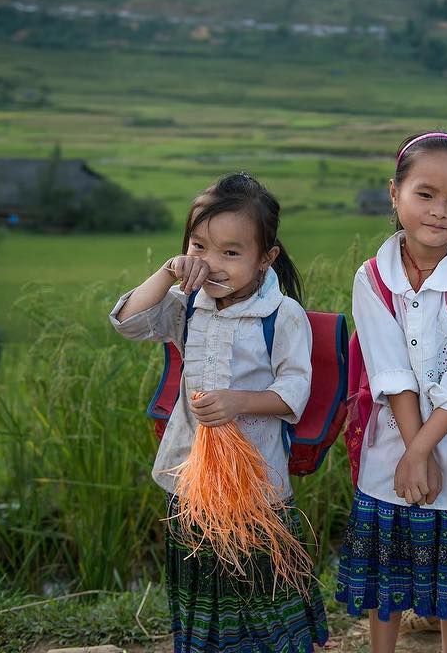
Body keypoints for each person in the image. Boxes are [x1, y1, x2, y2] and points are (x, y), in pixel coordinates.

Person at [109, 173, 328, 652]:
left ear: (266, 257)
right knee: (203, 583)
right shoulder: (187, 303)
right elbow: (128, 322)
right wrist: (169, 272)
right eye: (199, 246)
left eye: (232, 252)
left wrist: (239, 402)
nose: (212, 263)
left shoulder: (282, 315)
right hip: (194, 475)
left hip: (257, 481)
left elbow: (294, 391)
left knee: (260, 587)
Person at [335, 132, 447, 653]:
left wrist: (422, 451)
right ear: (394, 194)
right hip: (392, 443)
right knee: (388, 570)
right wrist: (415, 453)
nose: (440, 211)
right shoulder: (372, 278)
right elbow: (389, 372)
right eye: (425, 194)